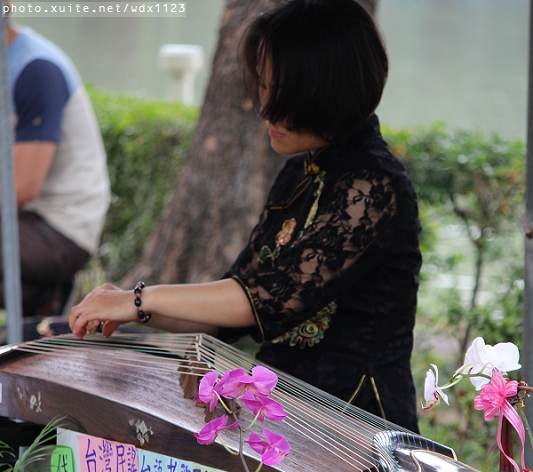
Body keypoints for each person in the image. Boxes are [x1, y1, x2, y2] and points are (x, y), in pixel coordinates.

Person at [70, 0, 421, 435]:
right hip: (289, 416)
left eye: (282, 93)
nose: (264, 108)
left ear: (329, 91)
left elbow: (272, 297)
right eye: (265, 87)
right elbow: (232, 303)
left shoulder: (373, 184)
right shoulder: (301, 172)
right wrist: (130, 307)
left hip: (358, 426)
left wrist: (138, 299)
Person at [1, 20, 110, 317]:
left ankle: (44, 297)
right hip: (23, 218)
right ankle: (41, 299)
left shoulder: (37, 70)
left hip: (61, 226)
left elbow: (20, 188)